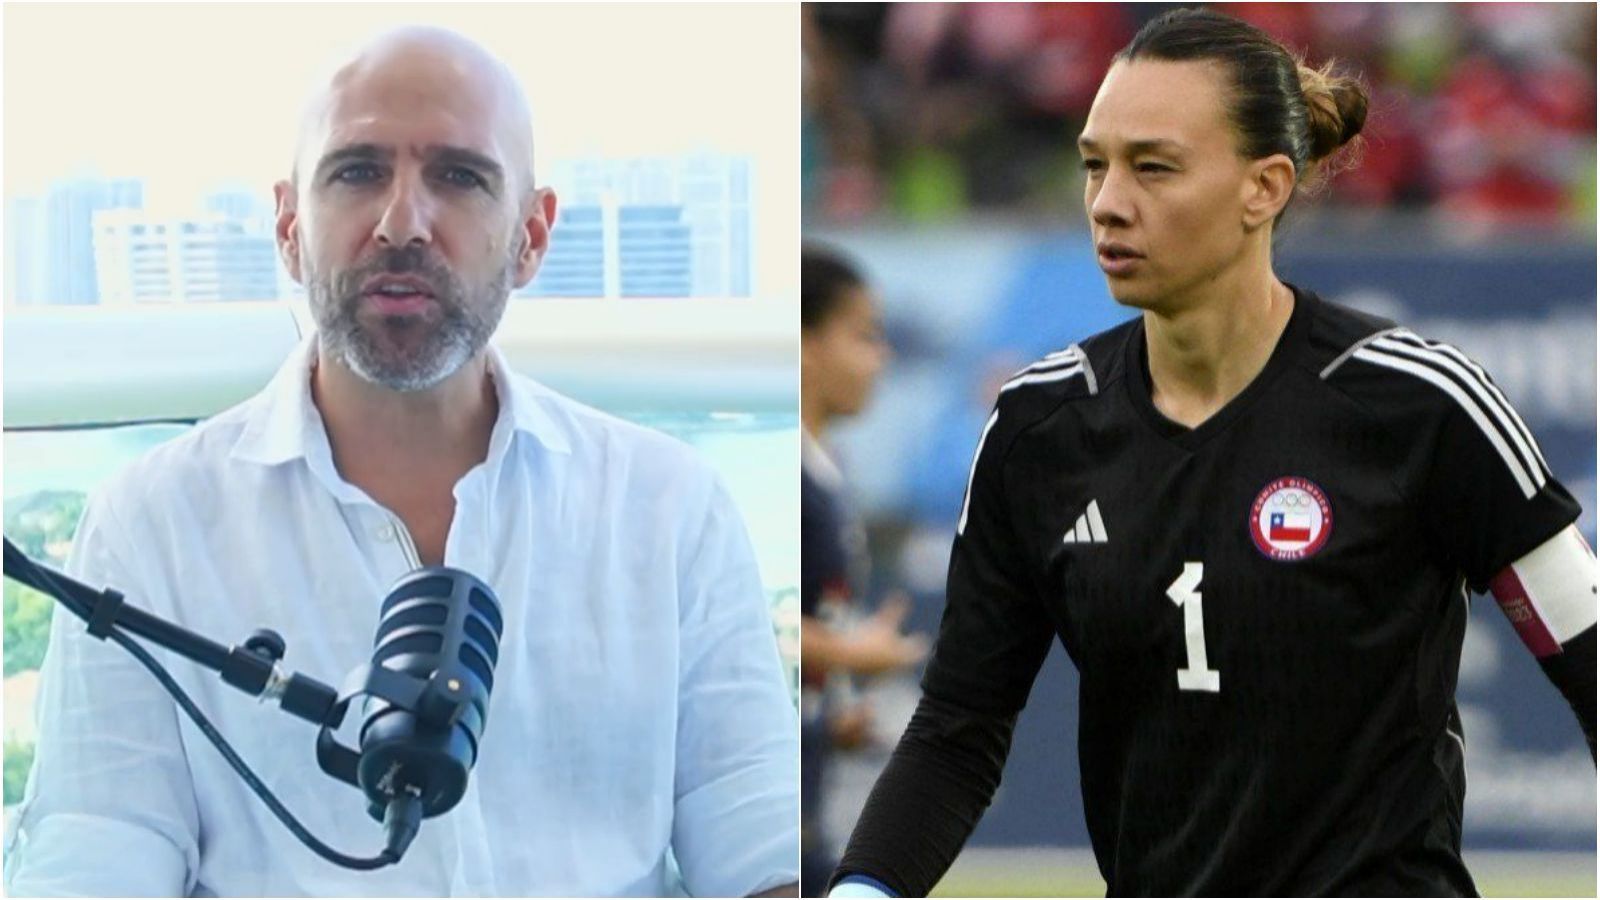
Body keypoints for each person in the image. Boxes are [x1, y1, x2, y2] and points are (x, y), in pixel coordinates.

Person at [6, 27, 798, 897]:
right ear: (286, 226)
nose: (401, 222)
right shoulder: (147, 524)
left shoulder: (670, 509)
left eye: (459, 175)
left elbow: (759, 844)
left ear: (532, 235)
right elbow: (100, 848)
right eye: (356, 171)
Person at [828, 9, 1595, 897]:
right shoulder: (1040, 428)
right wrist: (863, 890)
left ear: (1264, 187)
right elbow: (958, 730)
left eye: (1154, 167)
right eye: (1094, 164)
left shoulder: (1416, 402)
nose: (1109, 201)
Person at [799, 245, 928, 897]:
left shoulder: (826, 470)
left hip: (808, 808)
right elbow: (733, 629)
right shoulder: (777, 475)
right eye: (863, 336)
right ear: (801, 344)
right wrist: (853, 652)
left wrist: (831, 719)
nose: (881, 359)